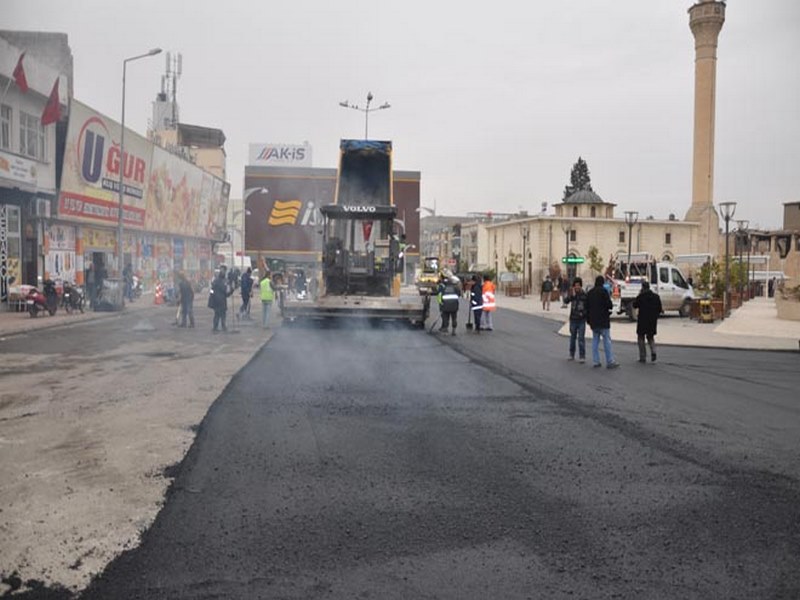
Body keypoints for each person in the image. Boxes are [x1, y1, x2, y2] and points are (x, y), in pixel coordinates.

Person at [586, 275, 619, 369]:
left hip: (593, 321)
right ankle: (610, 361)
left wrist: (588, 320)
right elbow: (609, 305)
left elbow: (587, 307)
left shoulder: (590, 293)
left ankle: (596, 361)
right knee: (607, 341)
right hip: (603, 320)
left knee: (595, 341)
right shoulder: (604, 291)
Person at [632, 280, 662, 363]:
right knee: (650, 337)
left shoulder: (641, 296)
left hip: (642, 320)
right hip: (652, 320)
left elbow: (634, 305)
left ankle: (643, 356)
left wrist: (639, 294)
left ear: (642, 288)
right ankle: (653, 351)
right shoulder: (656, 297)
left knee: (640, 337)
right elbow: (659, 309)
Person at [564, 277, 588, 362]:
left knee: (581, 338)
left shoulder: (584, 295)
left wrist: (584, 314)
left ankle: (582, 356)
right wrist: (571, 295)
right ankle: (571, 354)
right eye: (575, 285)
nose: (577, 287)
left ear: (581, 286)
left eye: (578, 285)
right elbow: (565, 301)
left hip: (581, 320)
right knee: (572, 337)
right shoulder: (573, 295)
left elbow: (587, 307)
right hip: (573, 319)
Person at [210, 268, 231, 332]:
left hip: (216, 301)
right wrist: (231, 290)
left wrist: (212, 296)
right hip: (222, 301)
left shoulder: (215, 282)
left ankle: (215, 327)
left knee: (216, 314)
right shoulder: (224, 283)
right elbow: (226, 293)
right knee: (222, 315)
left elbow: (211, 290)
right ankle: (223, 326)